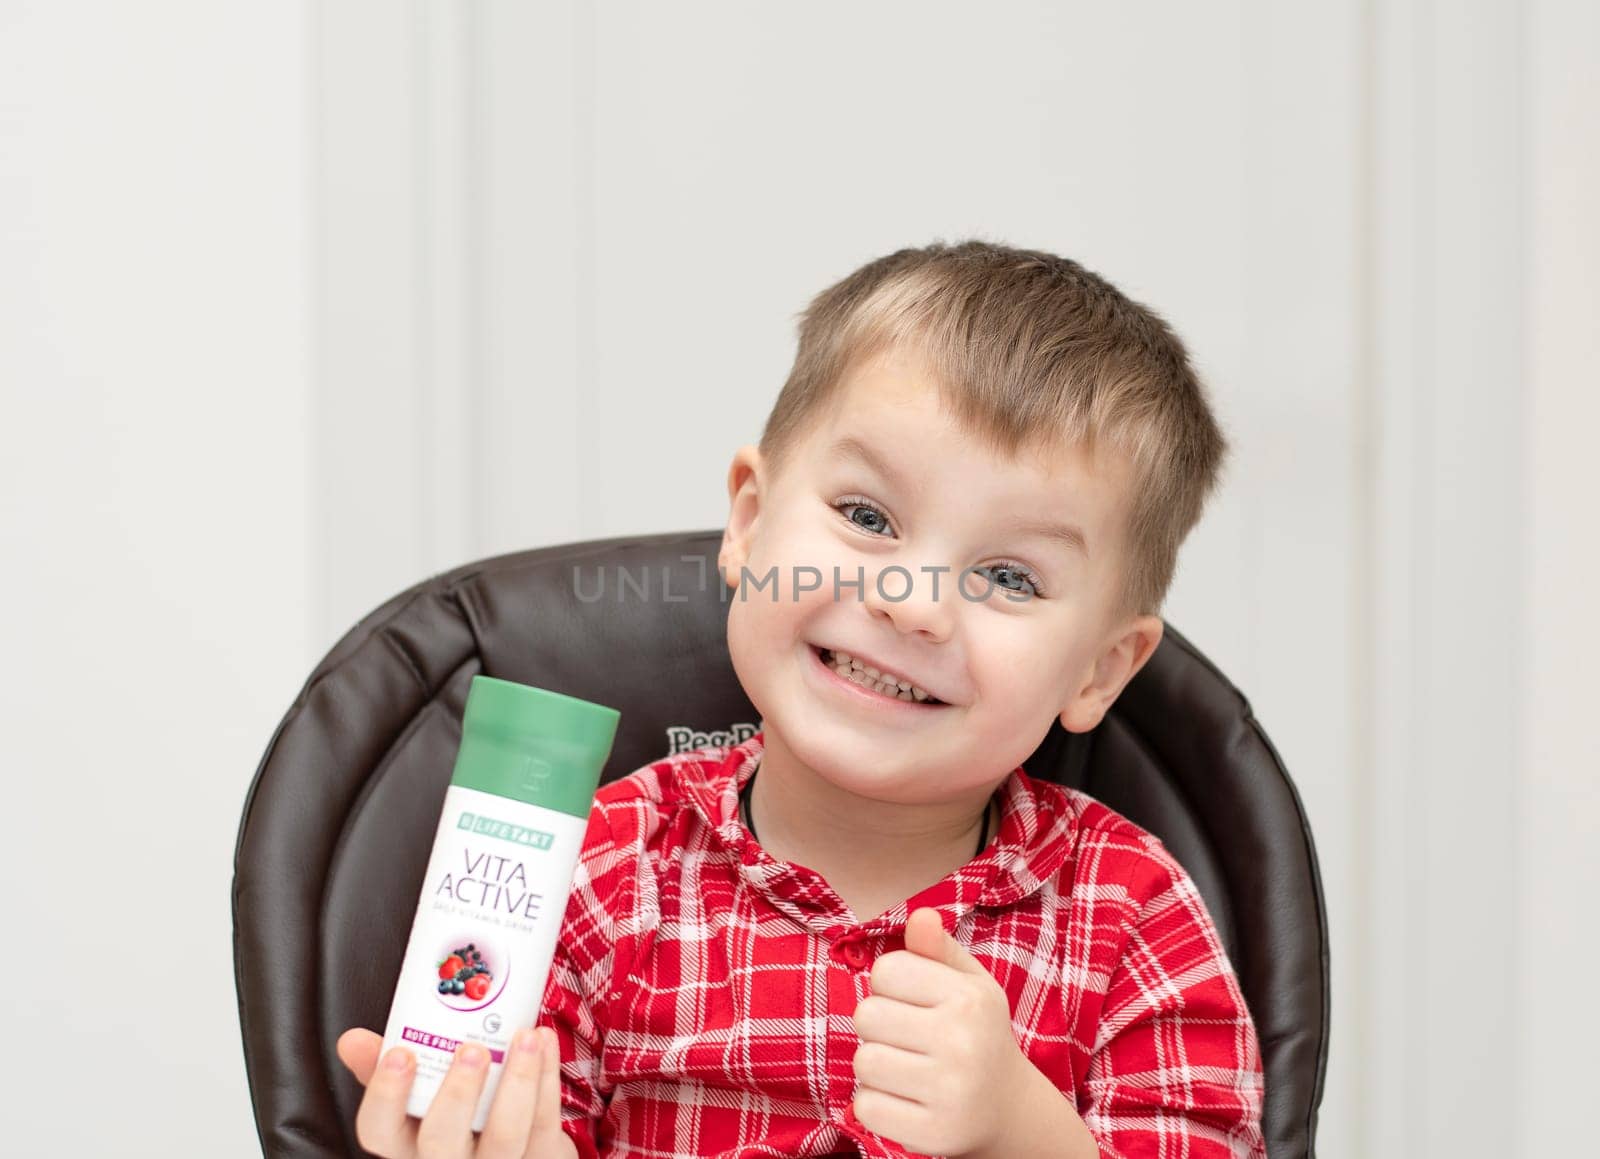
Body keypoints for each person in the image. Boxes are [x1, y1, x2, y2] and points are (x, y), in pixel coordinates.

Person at [337, 239, 1268, 1157]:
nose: (914, 605)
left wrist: (1023, 1133)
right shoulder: (594, 878)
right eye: (868, 519)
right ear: (749, 519)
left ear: (1099, 670)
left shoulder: (1130, 915)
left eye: (1010, 578)